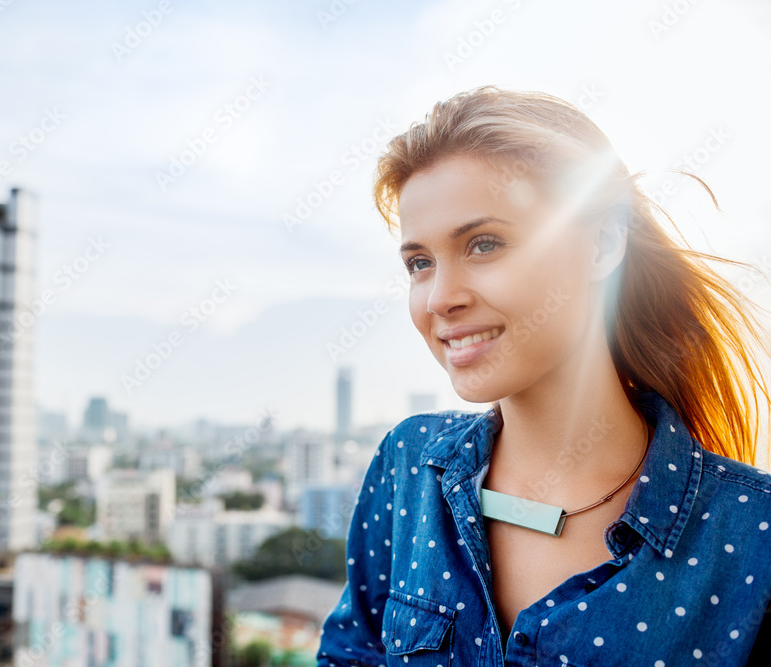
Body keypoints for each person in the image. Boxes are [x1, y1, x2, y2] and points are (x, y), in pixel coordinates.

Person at [316, 85, 771, 666]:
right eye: (420, 263)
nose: (440, 298)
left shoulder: (753, 537)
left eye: (484, 244)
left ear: (603, 243)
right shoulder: (409, 465)